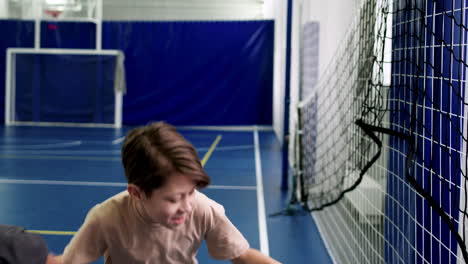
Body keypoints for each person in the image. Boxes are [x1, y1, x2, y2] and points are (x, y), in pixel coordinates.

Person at [48, 121, 280, 263]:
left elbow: (242, 255)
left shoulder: (203, 209)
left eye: (191, 192)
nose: (187, 205)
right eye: (173, 199)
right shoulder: (106, 218)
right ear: (137, 193)